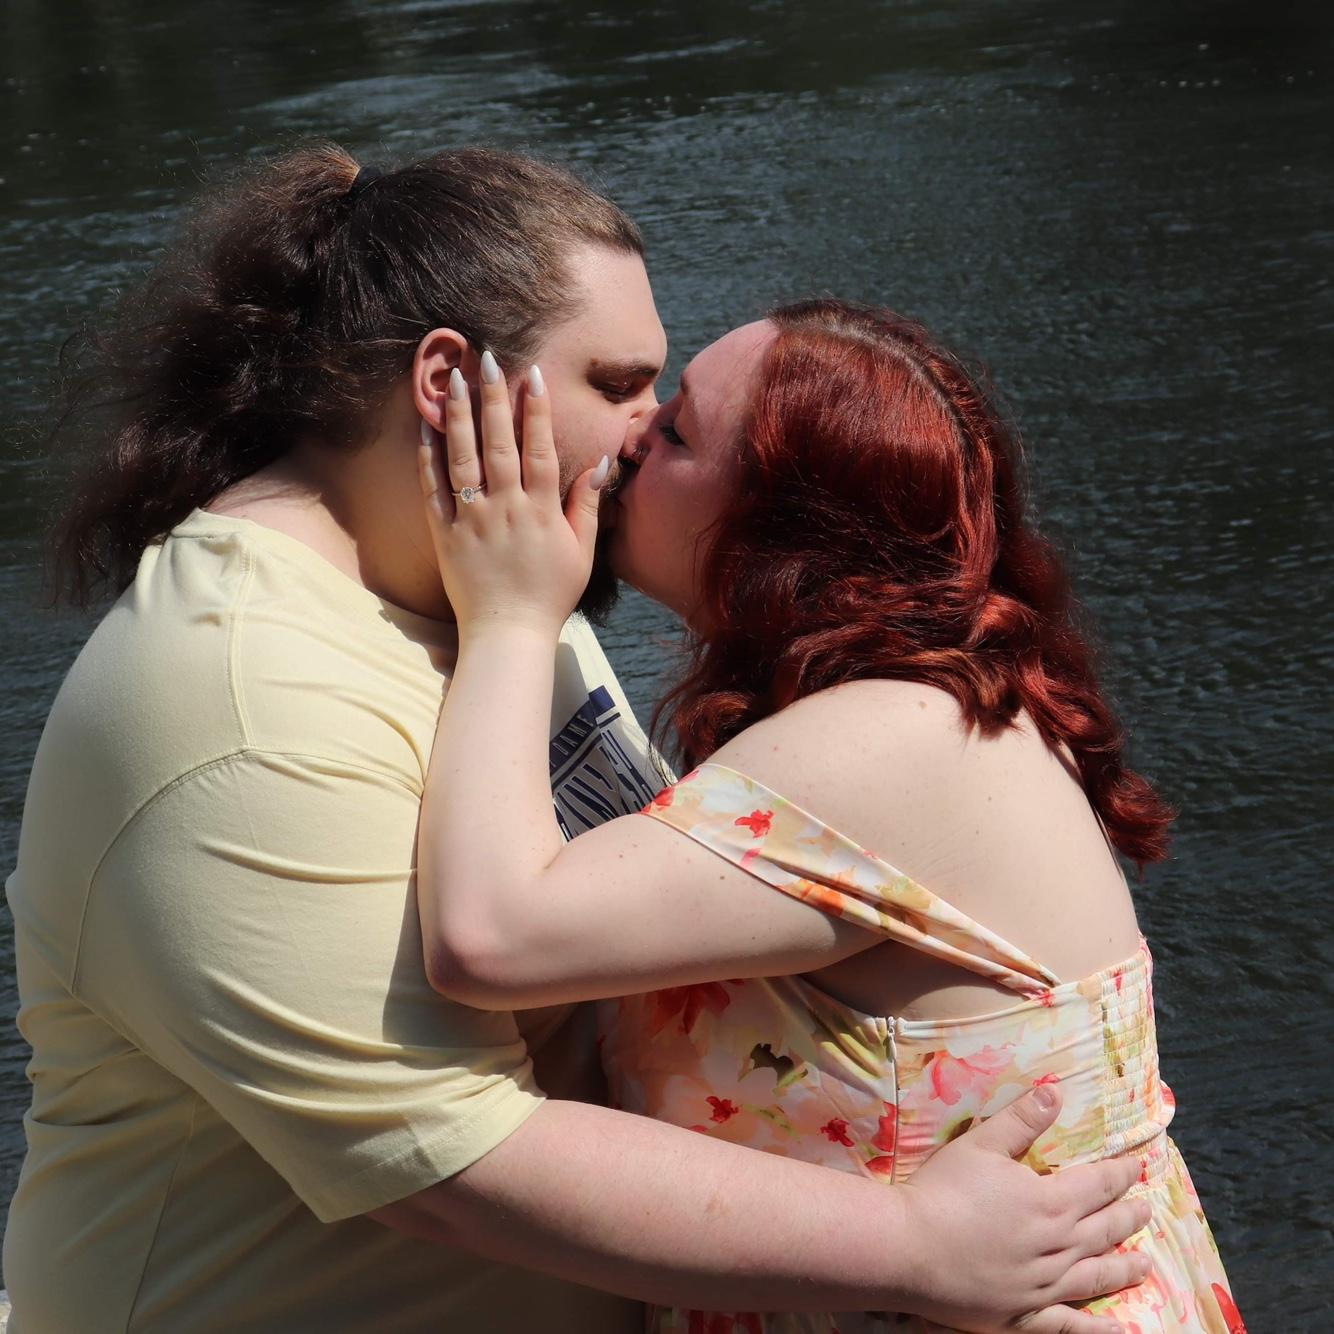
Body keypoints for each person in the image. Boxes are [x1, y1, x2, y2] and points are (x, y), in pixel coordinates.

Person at [2, 145, 1146, 1334]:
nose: (644, 432)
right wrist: (909, 1245)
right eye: (617, 383)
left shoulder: (506, 592)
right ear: (448, 383)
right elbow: (448, 1158)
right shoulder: (243, 707)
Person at [411, 304, 1248, 1333]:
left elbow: (488, 935)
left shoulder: (892, 740)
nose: (633, 435)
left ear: (780, 531)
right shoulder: (941, 703)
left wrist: (506, 612)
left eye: (677, 430)